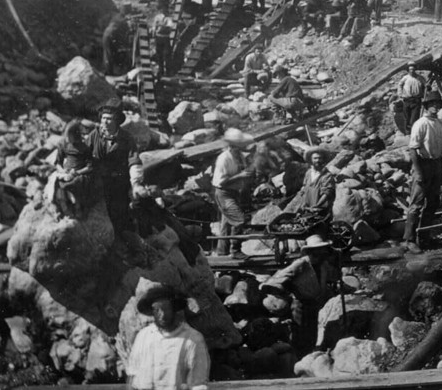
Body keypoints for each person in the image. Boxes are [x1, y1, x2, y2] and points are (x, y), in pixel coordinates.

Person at [260, 234, 340, 355]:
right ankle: (297, 360)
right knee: (300, 333)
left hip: (314, 303)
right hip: (300, 304)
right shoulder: (301, 264)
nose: (323, 252)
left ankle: (307, 357)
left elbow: (334, 276)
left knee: (312, 333)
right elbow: (280, 276)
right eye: (320, 249)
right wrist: (286, 290)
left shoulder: (323, 265)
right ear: (312, 251)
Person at [126, 284, 209, 390]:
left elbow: (199, 383)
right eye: (157, 310)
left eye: (166, 309)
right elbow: (132, 376)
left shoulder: (192, 339)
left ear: (174, 309)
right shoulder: (143, 337)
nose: (162, 315)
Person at [86, 98, 142, 233]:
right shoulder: (94, 135)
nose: (105, 122)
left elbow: (134, 162)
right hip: (98, 183)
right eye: (103, 118)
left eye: (109, 119)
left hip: (119, 185)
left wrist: (135, 184)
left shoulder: (127, 138)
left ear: (116, 121)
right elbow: (83, 154)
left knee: (120, 217)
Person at [403, 94, 442, 253]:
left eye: (437, 104)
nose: (435, 107)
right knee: (416, 204)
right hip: (423, 164)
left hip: (436, 164)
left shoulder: (440, 124)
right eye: (432, 104)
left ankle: (424, 236)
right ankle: (409, 239)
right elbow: (413, 149)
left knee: (433, 202)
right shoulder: (420, 123)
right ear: (426, 105)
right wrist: (419, 172)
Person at [212, 128, 255, 258]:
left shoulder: (240, 157)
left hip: (235, 192)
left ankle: (222, 252)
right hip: (224, 193)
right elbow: (221, 182)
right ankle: (235, 250)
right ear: (232, 146)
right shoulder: (224, 158)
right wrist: (240, 175)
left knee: (226, 224)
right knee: (239, 220)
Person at [294, 148, 336, 226]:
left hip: (320, 209)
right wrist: (303, 201)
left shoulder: (327, 175)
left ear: (323, 160)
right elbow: (304, 187)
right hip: (308, 208)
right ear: (311, 160)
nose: (317, 160)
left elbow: (327, 194)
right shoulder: (308, 173)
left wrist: (317, 205)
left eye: (320, 158)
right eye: (315, 158)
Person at [102, 8, 132, 76]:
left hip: (109, 35)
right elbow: (124, 31)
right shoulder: (122, 20)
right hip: (108, 36)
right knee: (108, 54)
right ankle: (108, 73)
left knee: (109, 54)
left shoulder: (117, 16)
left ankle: (110, 71)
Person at [398, 63, 426, 130]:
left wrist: (427, 87)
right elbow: (400, 85)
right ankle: (407, 131)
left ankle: (413, 131)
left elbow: (426, 85)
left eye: (413, 69)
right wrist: (400, 93)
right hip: (407, 100)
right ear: (408, 70)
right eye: (410, 69)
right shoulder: (405, 78)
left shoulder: (420, 78)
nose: (412, 71)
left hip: (416, 100)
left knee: (414, 118)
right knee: (407, 117)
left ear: (415, 69)